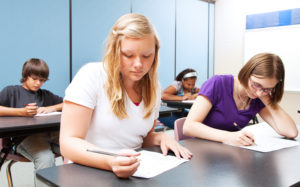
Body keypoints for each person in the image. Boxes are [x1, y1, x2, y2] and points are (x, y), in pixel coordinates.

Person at [60, 13, 192, 179]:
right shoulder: (92, 76)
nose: (138, 64)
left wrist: (161, 137)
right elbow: (68, 143)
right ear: (115, 51)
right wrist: (110, 160)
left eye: (146, 56)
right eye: (128, 55)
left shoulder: (154, 88)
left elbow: (142, 138)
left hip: (134, 171)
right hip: (87, 172)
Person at [183, 53, 298, 146]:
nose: (258, 92)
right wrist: (229, 137)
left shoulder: (259, 97)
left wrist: (268, 98)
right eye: (256, 84)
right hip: (201, 150)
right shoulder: (218, 83)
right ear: (246, 73)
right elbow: (189, 127)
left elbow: (291, 132)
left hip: (228, 152)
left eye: (267, 89)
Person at [0, 58, 63, 186]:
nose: (38, 83)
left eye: (42, 80)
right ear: (26, 76)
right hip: (24, 139)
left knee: (75, 148)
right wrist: (21, 112)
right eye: (34, 79)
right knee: (45, 158)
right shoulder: (11, 91)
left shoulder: (45, 95)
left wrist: (51, 108)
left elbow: (68, 104)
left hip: (50, 135)